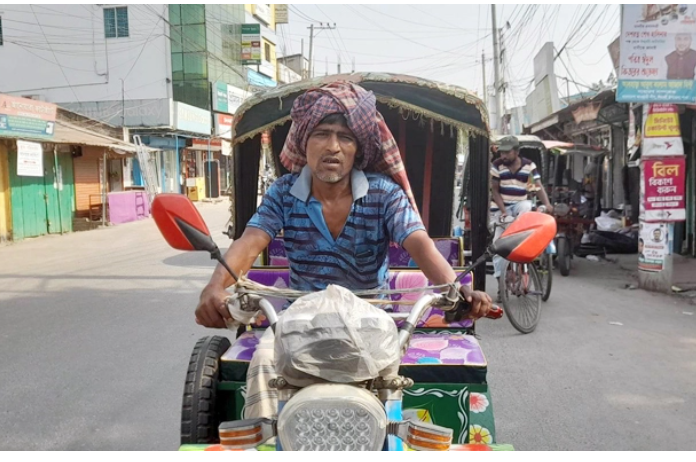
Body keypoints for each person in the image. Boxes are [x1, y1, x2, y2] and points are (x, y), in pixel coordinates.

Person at [195, 82, 493, 419]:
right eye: (322, 133)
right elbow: (249, 241)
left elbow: (420, 244)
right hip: (299, 325)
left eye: (345, 137)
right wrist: (215, 286)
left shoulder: (384, 195)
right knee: (265, 374)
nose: (333, 146)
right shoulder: (283, 193)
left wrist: (458, 290)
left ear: (358, 150)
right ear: (304, 141)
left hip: (372, 323)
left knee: (391, 405)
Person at [490, 136, 553, 286]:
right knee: (498, 244)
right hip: (500, 207)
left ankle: (522, 236)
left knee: (526, 205)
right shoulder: (497, 166)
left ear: (516, 152)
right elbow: (494, 191)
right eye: (502, 153)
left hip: (519, 205)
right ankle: (501, 282)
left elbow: (537, 186)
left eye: (507, 152)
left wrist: (547, 204)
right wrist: (504, 211)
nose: (503, 156)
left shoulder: (528, 166)